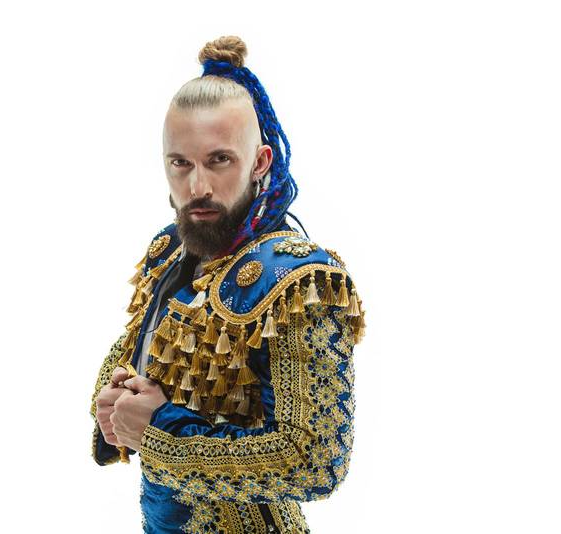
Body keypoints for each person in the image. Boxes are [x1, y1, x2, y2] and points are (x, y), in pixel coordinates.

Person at [89, 35, 366, 533]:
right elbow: (139, 347)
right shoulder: (171, 250)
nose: (197, 187)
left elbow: (315, 459)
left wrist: (159, 430)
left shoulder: (300, 282)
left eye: (219, 160)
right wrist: (113, 395)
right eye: (181, 163)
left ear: (259, 162)